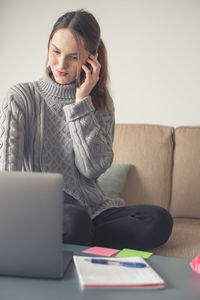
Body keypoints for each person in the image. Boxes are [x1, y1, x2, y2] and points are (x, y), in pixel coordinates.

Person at [0, 9, 173, 250]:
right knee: (75, 221)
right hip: (46, 210)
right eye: (55, 51)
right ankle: (83, 238)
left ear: (91, 58)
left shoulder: (99, 103)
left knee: (159, 220)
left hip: (93, 211)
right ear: (48, 46)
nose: (61, 64)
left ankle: (82, 240)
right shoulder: (20, 98)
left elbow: (93, 170)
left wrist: (81, 103)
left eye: (73, 57)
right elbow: (7, 177)